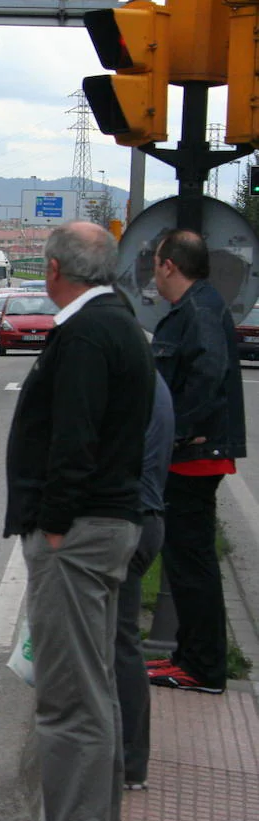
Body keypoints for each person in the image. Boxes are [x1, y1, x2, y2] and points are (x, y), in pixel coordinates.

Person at [1, 221, 155, 821]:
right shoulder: (114, 323)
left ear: (57, 270)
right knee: (93, 691)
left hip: (81, 530)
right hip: (102, 524)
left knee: (69, 696)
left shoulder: (89, 332)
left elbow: (75, 437)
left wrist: (56, 524)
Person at [147, 230, 246, 695]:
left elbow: (208, 373)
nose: (152, 271)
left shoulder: (199, 310)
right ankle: (190, 656)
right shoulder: (198, 306)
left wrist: (179, 431)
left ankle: (202, 666)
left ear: (170, 265)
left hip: (192, 457)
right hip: (191, 454)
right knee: (189, 560)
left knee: (192, 563)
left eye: (155, 262)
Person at [116, 371, 173, 791]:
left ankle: (126, 761)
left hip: (127, 521)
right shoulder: (149, 377)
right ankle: (128, 760)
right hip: (144, 517)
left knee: (116, 646)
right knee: (121, 642)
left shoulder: (132, 379)